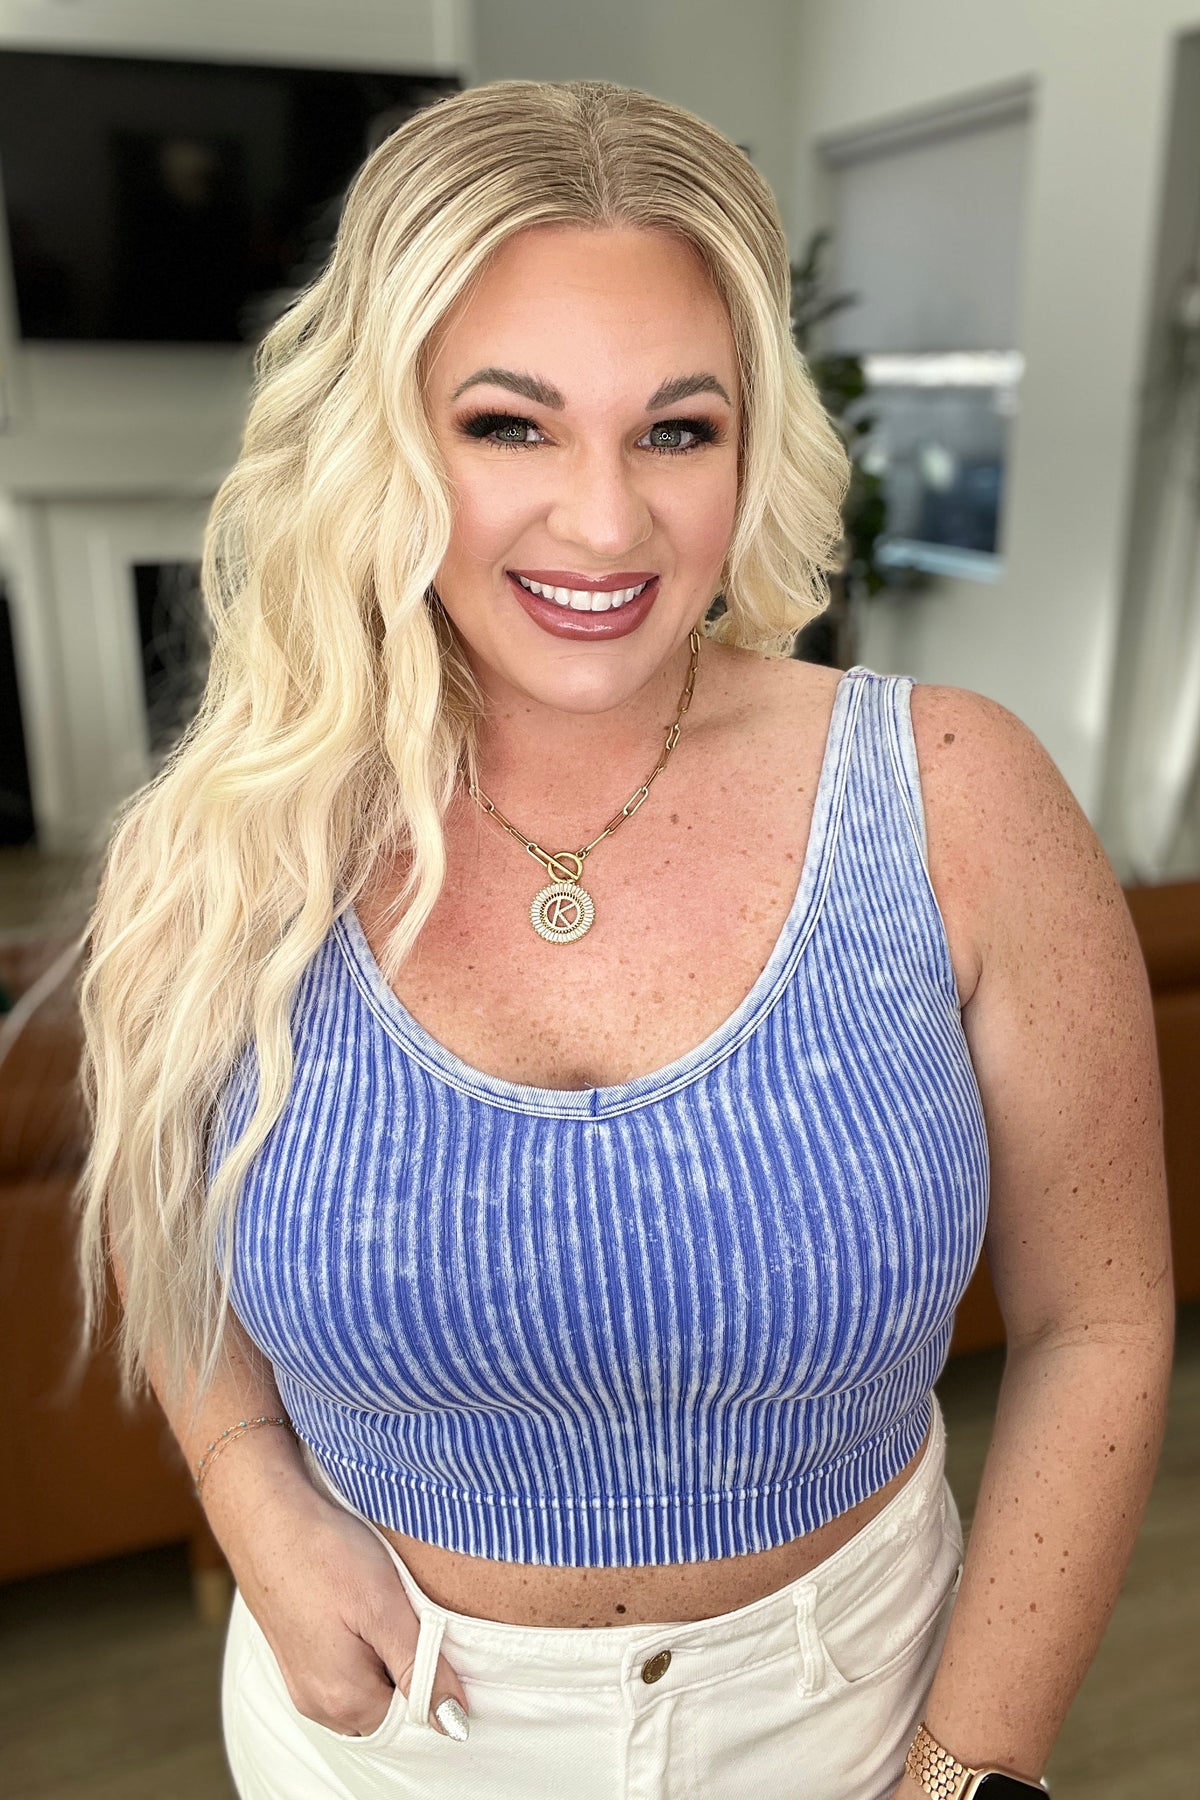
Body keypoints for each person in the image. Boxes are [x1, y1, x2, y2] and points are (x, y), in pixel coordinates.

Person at [73, 78, 1174, 1800]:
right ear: (383, 435)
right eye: (509, 425)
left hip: (859, 1715)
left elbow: (1099, 1322)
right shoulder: (225, 846)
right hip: (377, 1737)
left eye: (677, 429)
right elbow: (168, 1223)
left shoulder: (957, 798)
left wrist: (971, 1771)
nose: (604, 522)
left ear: (754, 444)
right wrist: (248, 1490)